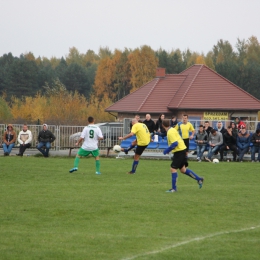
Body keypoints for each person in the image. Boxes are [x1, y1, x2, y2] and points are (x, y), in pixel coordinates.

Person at [162, 119, 204, 192]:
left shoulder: (170, 132)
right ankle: (199, 179)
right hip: (182, 150)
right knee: (183, 170)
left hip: (179, 152)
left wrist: (167, 150)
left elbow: (175, 143)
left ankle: (174, 189)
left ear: (162, 125)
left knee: (173, 169)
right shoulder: (172, 129)